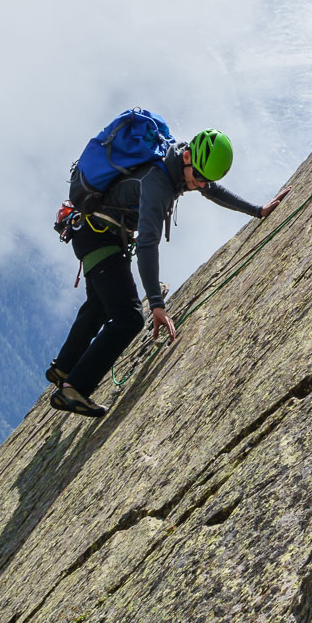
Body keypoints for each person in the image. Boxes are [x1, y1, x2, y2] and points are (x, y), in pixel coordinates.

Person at [47, 128, 286, 417]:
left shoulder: (182, 163)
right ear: (187, 156)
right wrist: (156, 305)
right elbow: (148, 242)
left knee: (100, 304)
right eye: (198, 178)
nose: (199, 186)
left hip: (95, 233)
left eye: (204, 180)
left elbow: (212, 190)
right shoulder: (157, 183)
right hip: (99, 238)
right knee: (129, 318)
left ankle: (64, 367)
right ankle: (74, 388)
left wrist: (257, 210)